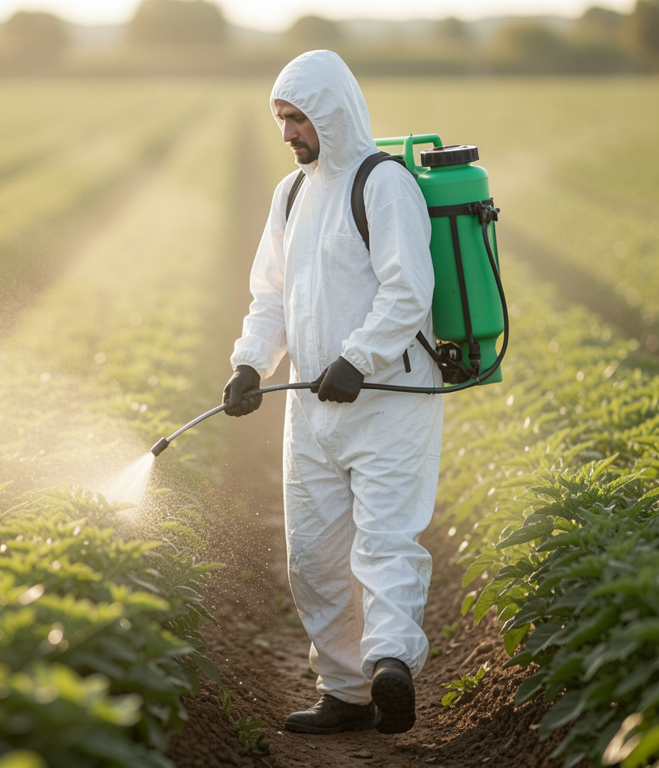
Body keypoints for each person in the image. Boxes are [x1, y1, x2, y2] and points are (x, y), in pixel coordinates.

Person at [223, 49, 443, 736]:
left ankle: (390, 668)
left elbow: (410, 289)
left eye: (298, 118)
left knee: (384, 541)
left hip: (387, 400)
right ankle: (346, 691)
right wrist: (251, 364)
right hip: (312, 407)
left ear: (333, 114)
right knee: (314, 556)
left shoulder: (384, 183)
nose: (287, 131)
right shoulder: (290, 194)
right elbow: (271, 295)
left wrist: (358, 357)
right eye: (281, 118)